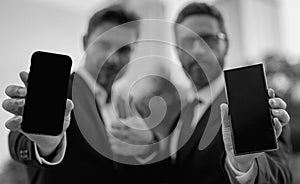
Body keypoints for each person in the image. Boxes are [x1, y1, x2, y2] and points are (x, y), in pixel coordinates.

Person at [2, 5, 169, 184]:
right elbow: (20, 141)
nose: (112, 58)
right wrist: (47, 145)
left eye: (124, 50)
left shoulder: (136, 109)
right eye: (104, 45)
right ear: (85, 42)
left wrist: (148, 146)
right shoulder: (57, 92)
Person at [167, 2, 292, 183]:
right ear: (177, 51)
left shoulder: (255, 105)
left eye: (209, 39)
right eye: (187, 42)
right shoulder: (178, 115)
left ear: (226, 44)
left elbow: (280, 176)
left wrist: (244, 166)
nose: (198, 50)